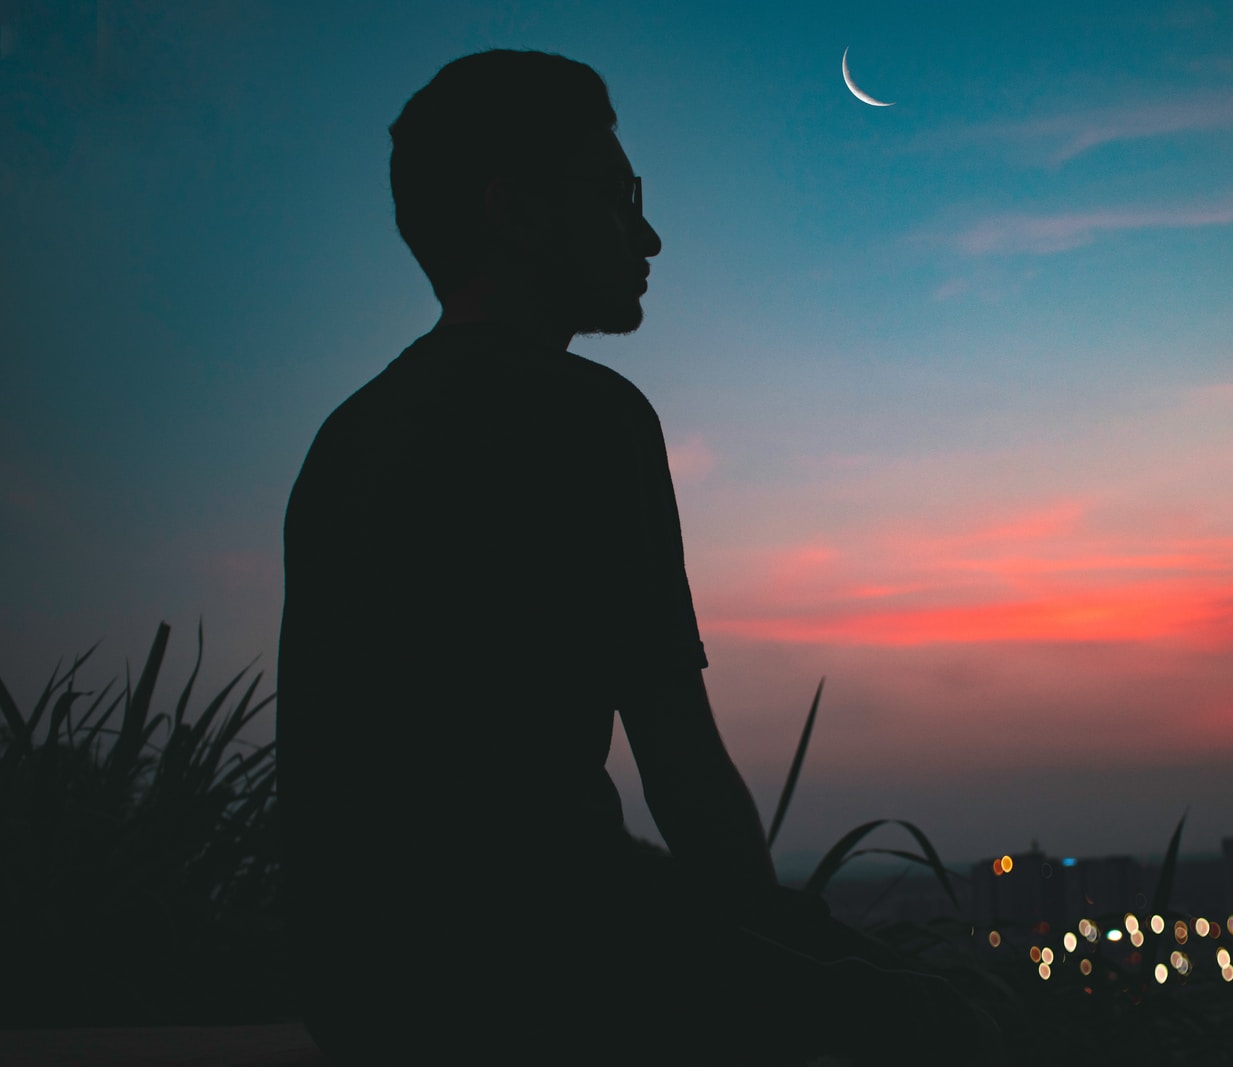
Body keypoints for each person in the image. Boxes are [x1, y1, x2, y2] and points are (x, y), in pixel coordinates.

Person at [277, 50, 1001, 1066]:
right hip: (529, 970)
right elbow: (681, 765)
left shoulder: (346, 439)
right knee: (949, 1020)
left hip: (361, 982)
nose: (649, 233)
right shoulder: (585, 417)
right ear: (516, 212)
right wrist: (787, 953)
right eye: (619, 197)